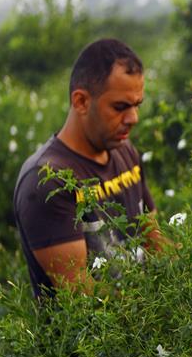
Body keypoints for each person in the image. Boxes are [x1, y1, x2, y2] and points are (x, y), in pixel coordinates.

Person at [14, 38, 167, 299]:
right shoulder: (46, 180)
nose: (133, 118)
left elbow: (154, 241)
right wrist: (156, 310)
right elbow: (82, 295)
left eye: (137, 105)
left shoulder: (125, 151)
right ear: (81, 101)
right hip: (106, 325)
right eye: (120, 107)